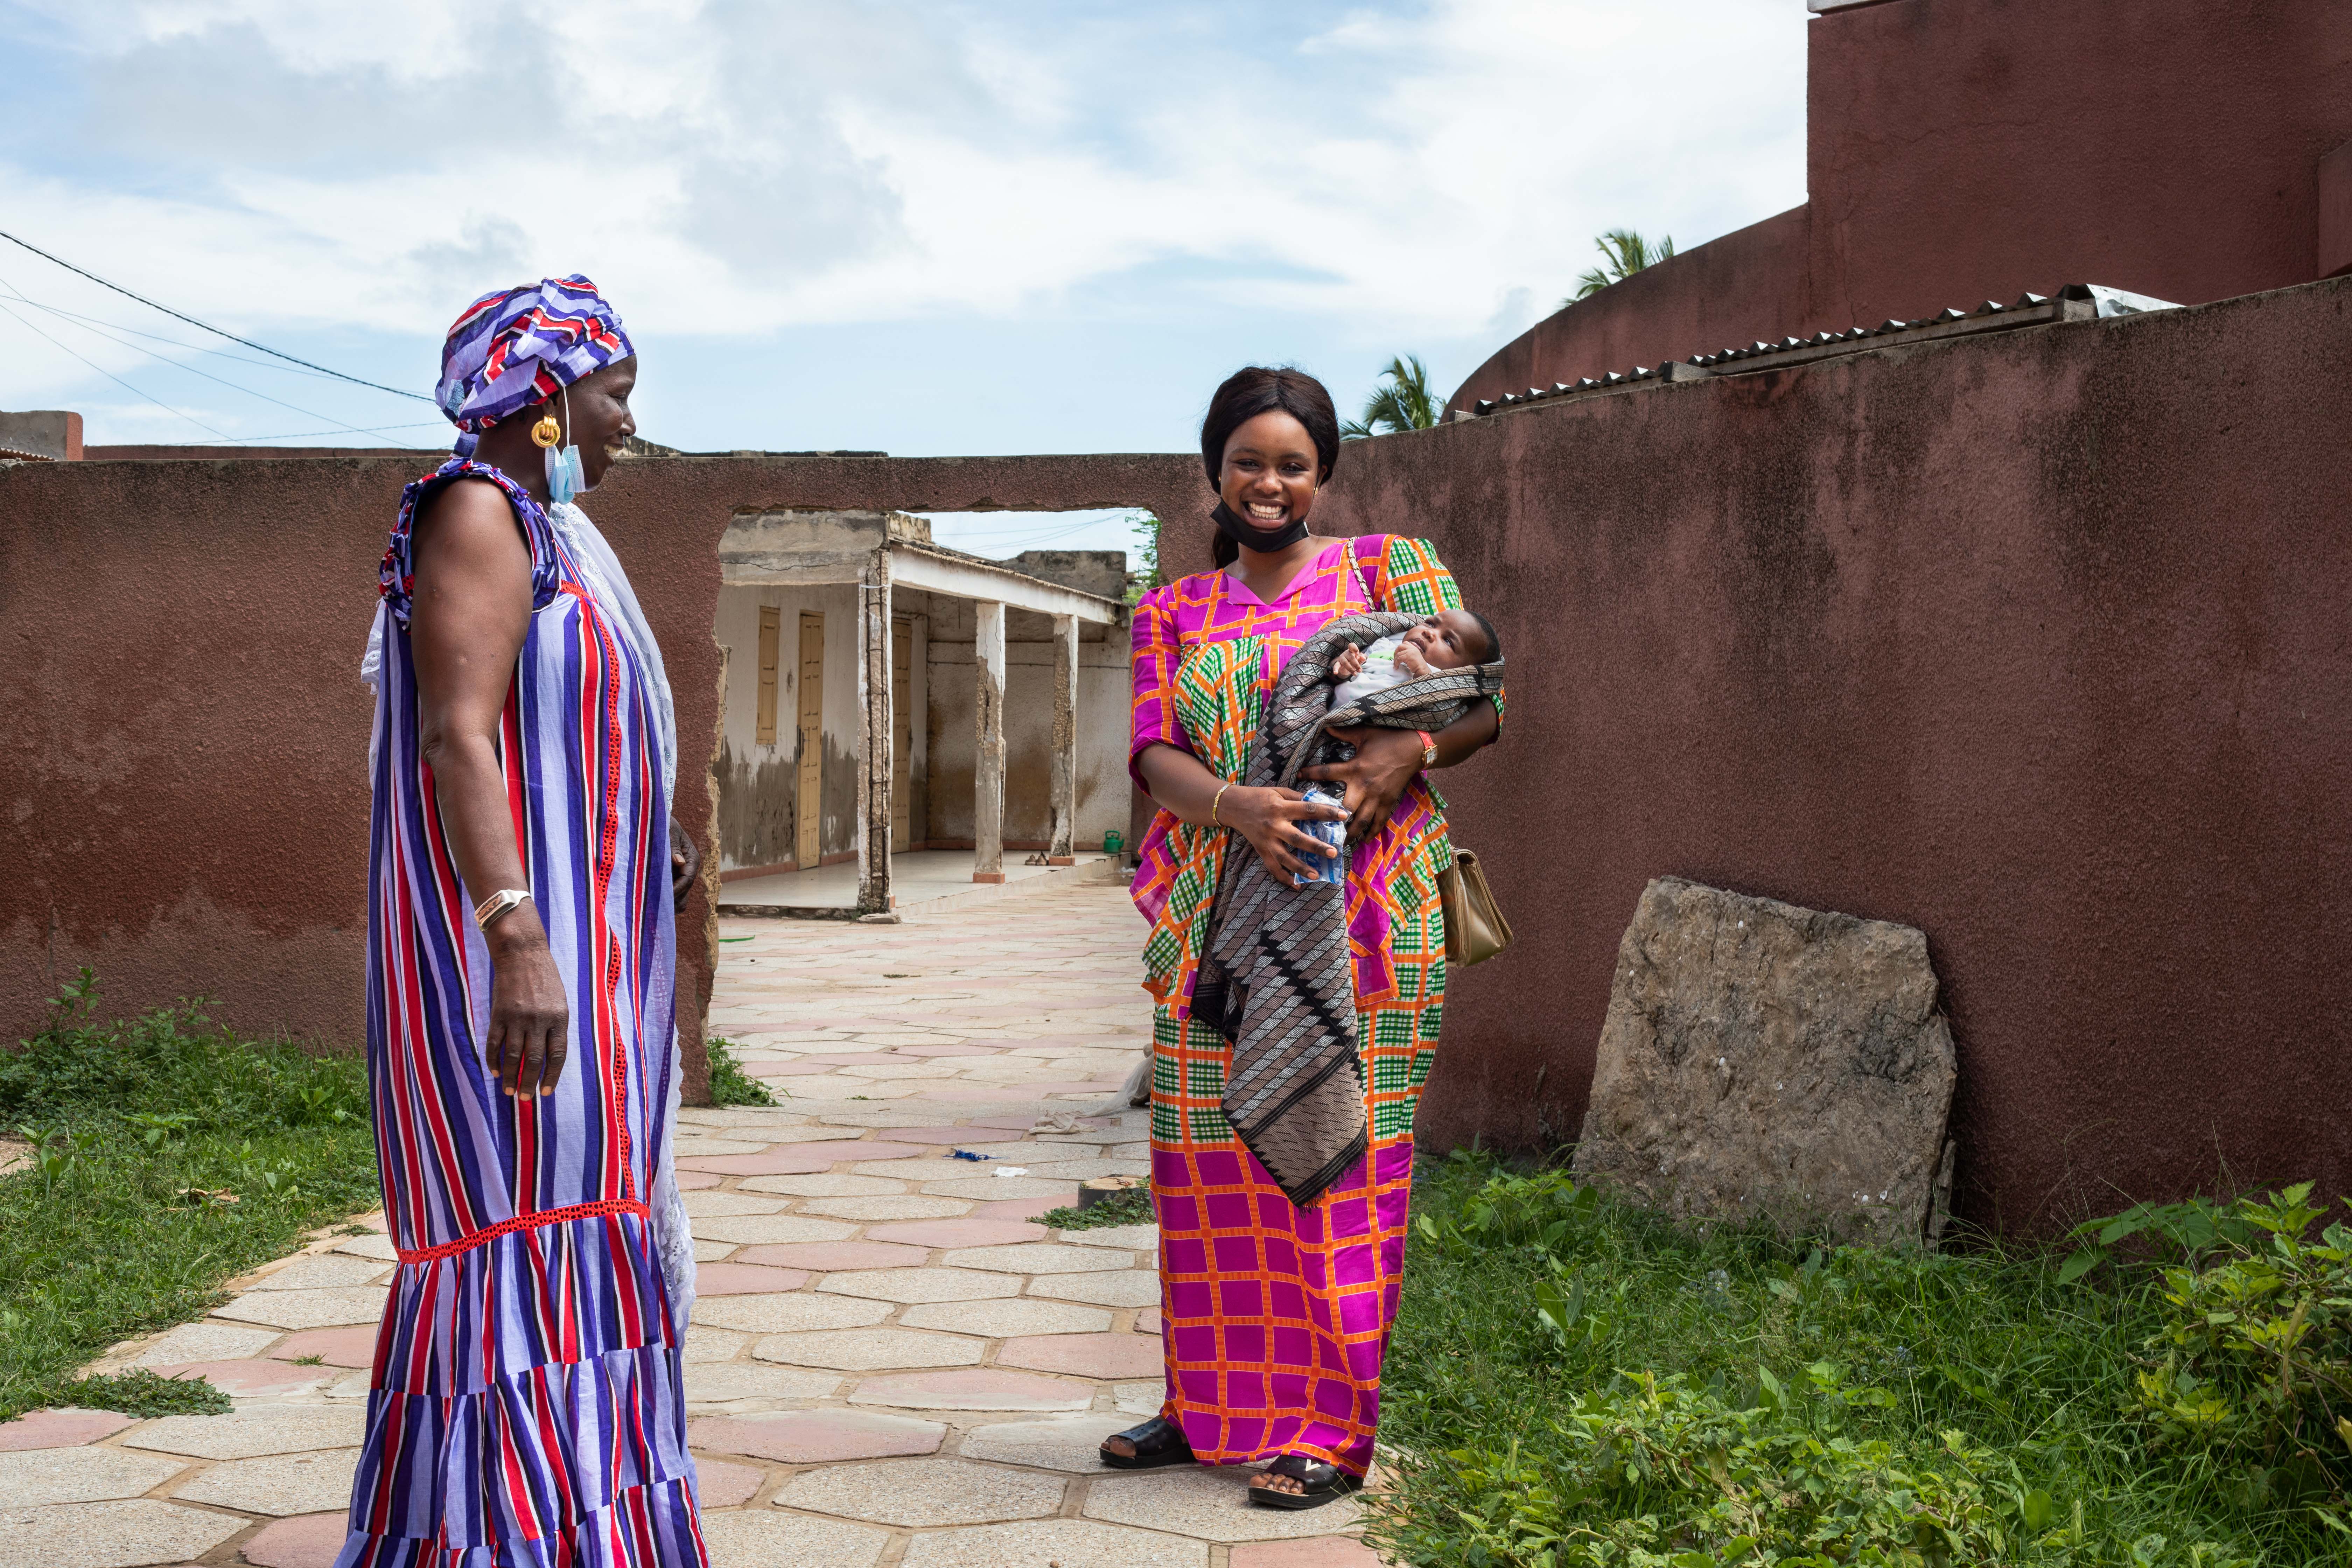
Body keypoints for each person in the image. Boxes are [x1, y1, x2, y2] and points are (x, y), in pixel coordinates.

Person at [347, 276, 709, 1567]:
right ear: (545, 402)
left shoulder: (555, 537)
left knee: (581, 1224)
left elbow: (559, 736)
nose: (625, 426)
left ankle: (568, 1525)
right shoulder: (478, 514)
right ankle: (502, 1532)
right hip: (507, 962)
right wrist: (515, 934)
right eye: (613, 396)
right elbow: (455, 734)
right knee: (524, 1229)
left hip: (581, 956)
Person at [1107, 366, 1503, 1508]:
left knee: (1341, 1168)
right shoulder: (1174, 611)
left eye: (1292, 463)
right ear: (1214, 470)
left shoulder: (1392, 570)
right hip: (1217, 931)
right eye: (1248, 460)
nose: (1268, 482)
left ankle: (1332, 1433)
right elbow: (1152, 752)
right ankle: (1211, 1406)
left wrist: (1404, 756)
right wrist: (1236, 806)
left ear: (1323, 475)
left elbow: (1483, 702)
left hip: (1371, 918)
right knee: (1203, 1166)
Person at [1328, 607, 1502, 711]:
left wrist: (1422, 672)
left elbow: (1431, 709)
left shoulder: (1439, 680)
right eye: (1431, 623)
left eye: (1448, 641)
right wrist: (1344, 667)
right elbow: (1344, 671)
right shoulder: (1388, 645)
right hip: (1330, 710)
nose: (1430, 632)